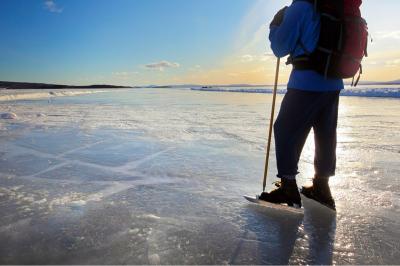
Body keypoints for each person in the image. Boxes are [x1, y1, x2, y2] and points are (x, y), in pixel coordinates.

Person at [258, 0, 344, 210]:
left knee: (285, 129)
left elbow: (280, 47)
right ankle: (322, 188)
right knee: (325, 134)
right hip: (333, 83)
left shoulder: (302, 6)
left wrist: (274, 26)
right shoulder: (336, 7)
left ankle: (288, 188)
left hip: (306, 83)